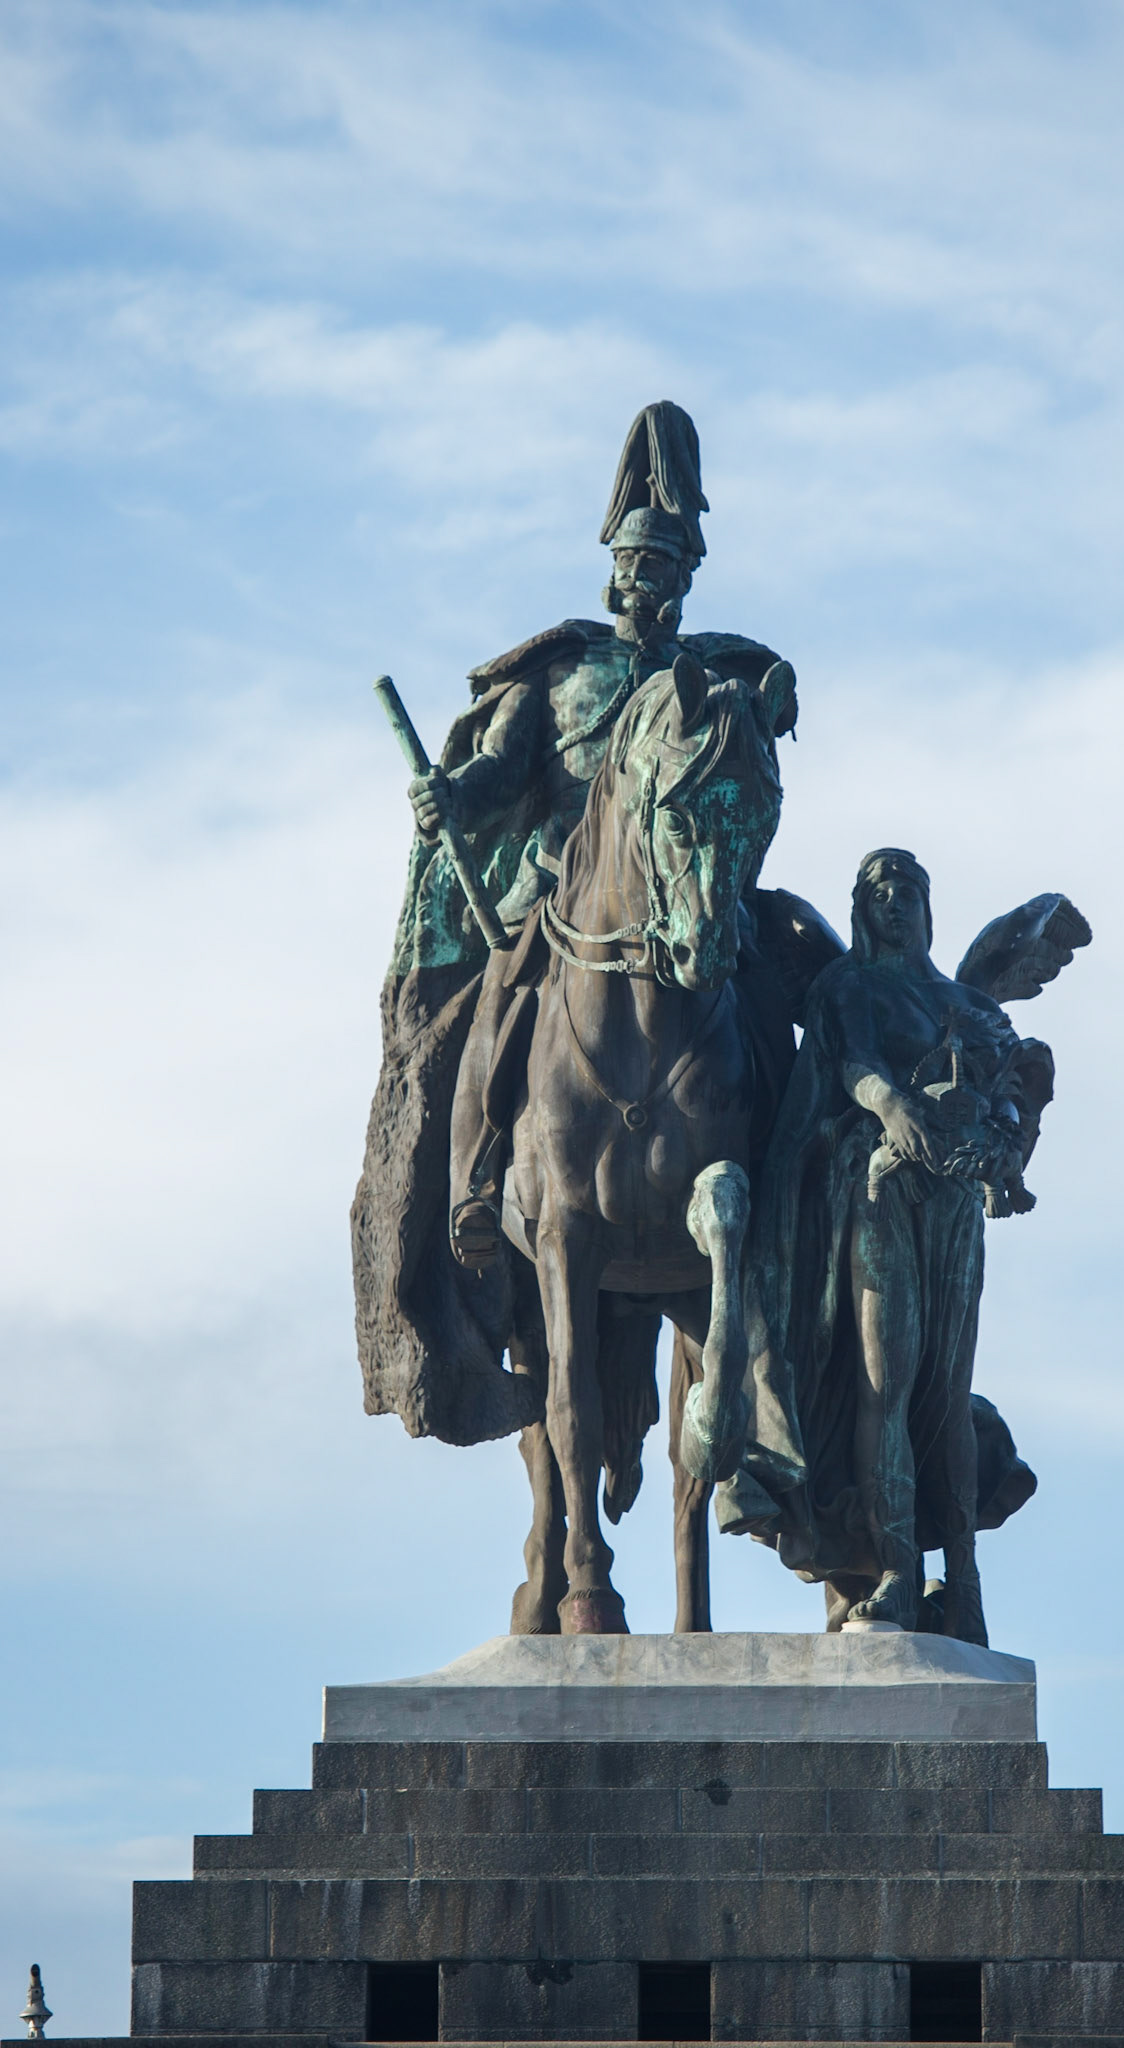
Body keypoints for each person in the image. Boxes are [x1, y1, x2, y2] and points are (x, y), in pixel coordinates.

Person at [352, 403, 802, 1449]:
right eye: (641, 566)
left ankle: (801, 1174)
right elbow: (499, 774)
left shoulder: (717, 673)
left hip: (695, 899)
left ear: (688, 580)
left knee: (797, 976)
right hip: (568, 908)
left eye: (670, 570)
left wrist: (769, 700)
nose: (653, 584)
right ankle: (474, 1181)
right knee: (502, 996)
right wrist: (452, 797)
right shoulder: (563, 674)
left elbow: (759, 742)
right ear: (614, 571)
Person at [718, 849, 1058, 1643]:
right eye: (877, 893)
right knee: (885, 1384)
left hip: (950, 1210)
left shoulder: (963, 1001)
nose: (893, 903)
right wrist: (893, 1105)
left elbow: (1015, 1076)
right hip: (875, 1194)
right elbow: (852, 1063)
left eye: (905, 890)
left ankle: (964, 1588)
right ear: (860, 909)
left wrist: (1009, 1140)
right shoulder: (848, 987)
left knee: (943, 1393)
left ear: (926, 907)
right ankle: (899, 1574)